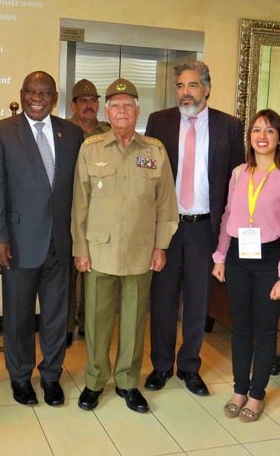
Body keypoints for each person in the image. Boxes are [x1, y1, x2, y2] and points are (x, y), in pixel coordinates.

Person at [72, 78, 178, 413]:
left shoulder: (154, 150)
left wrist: (160, 246)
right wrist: (80, 249)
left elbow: (166, 205)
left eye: (128, 106)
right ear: (107, 111)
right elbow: (80, 203)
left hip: (139, 252)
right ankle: (94, 381)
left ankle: (128, 382)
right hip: (99, 250)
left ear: (137, 111)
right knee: (97, 322)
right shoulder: (91, 149)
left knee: (133, 322)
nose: (121, 111)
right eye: (115, 106)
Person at [0, 71, 83, 406]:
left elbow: (78, 191)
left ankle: (52, 375)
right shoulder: (1, 133)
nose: (37, 98)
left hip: (61, 243)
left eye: (45, 92)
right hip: (18, 242)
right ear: (22, 93)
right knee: (19, 315)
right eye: (31, 91)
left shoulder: (72, 133)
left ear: (54, 97)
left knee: (57, 315)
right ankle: (21, 376)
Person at [144, 61, 245, 395]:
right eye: (180, 86)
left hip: (205, 227)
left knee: (198, 301)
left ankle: (189, 366)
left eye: (191, 85)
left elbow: (236, 184)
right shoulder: (158, 122)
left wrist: (230, 235)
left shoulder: (229, 127)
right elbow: (147, 176)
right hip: (167, 228)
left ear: (207, 88)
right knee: (162, 299)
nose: (185, 93)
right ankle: (161, 365)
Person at [211, 109, 280, 422]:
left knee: (264, 332)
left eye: (269, 131)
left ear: (279, 139)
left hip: (270, 261)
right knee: (240, 329)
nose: (261, 137)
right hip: (238, 256)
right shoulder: (239, 173)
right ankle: (239, 389)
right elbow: (228, 217)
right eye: (256, 131)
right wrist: (221, 256)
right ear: (249, 138)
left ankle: (257, 395)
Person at [65, 78, 112, 344]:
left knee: (96, 272)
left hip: (102, 211)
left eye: (93, 100)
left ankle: (88, 324)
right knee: (70, 275)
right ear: (73, 104)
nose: (89, 105)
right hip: (70, 209)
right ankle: (68, 325)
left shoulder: (108, 132)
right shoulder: (63, 130)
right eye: (83, 101)